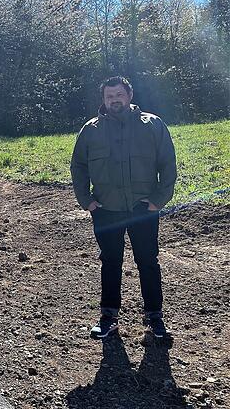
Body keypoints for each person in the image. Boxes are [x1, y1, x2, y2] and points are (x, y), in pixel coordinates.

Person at [71, 76, 177, 340]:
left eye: (118, 94)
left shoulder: (152, 125)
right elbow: (79, 167)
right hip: (106, 210)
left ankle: (154, 318)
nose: (114, 100)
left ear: (129, 95)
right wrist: (87, 201)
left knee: (148, 262)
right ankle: (109, 317)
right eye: (109, 96)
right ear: (103, 100)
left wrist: (158, 200)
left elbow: (168, 164)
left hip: (143, 208)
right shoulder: (91, 130)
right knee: (110, 262)